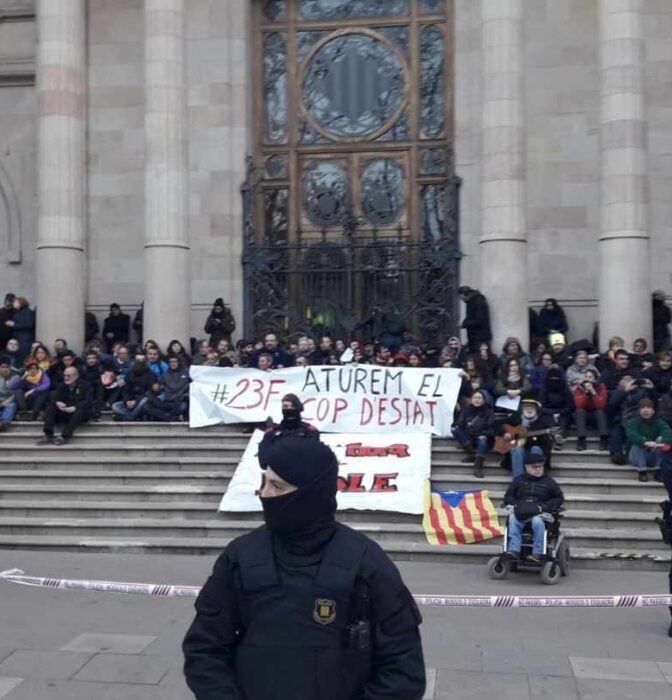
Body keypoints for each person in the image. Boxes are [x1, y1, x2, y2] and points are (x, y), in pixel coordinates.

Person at [183, 437, 426, 700]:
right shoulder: (240, 557)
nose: (264, 493)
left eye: (277, 485)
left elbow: (403, 670)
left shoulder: (367, 563)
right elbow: (204, 650)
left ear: (310, 493)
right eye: (264, 482)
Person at [502, 451, 565, 563]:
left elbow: (559, 498)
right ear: (526, 467)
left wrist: (545, 506)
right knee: (513, 519)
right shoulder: (518, 480)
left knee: (537, 521)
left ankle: (537, 552)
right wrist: (516, 505)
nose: (538, 469)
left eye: (540, 466)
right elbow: (508, 497)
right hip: (521, 511)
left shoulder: (549, 482)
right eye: (535, 467)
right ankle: (513, 550)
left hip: (540, 512)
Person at [501, 397, 554, 479]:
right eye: (527, 407)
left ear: (536, 410)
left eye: (532, 407)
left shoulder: (542, 423)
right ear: (522, 409)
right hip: (519, 453)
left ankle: (535, 477)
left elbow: (547, 445)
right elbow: (497, 424)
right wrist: (506, 433)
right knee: (517, 449)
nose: (529, 409)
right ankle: (518, 480)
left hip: (536, 453)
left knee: (535, 448)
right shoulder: (516, 419)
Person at [38, 366, 91, 445]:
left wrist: (75, 407)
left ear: (76, 376)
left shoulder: (85, 386)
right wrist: (57, 402)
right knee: (50, 406)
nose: (66, 378)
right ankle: (48, 434)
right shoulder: (62, 385)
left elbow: (87, 401)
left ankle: (64, 436)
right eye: (65, 375)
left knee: (81, 411)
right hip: (65, 411)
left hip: (78, 412)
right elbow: (54, 398)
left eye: (69, 376)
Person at [625, 398, 672, 484]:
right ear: (639, 411)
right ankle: (642, 471)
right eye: (643, 408)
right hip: (636, 456)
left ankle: (658, 471)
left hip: (652, 455)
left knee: (660, 440)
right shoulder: (633, 422)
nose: (645, 410)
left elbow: (667, 432)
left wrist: (660, 444)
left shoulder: (659, 422)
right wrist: (645, 442)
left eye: (648, 407)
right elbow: (632, 435)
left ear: (653, 411)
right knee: (639, 443)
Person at [453, 390, 493, 478]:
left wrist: (482, 433)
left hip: (481, 436)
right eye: (475, 398)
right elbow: (460, 423)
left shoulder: (488, 411)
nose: (477, 400)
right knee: (456, 430)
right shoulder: (466, 410)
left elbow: (490, 427)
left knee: (483, 440)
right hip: (469, 436)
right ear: (471, 400)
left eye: (479, 398)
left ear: (483, 400)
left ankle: (478, 467)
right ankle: (473, 454)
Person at [572, 369, 609, 451]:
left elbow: (601, 406)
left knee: (600, 412)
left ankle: (603, 439)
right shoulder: (579, 388)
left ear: (595, 379)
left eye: (590, 377)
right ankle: (581, 440)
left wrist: (593, 392)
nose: (587, 379)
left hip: (595, 416)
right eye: (586, 377)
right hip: (584, 416)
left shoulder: (601, 387)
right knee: (579, 411)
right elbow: (579, 405)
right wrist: (585, 393)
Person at [539, 366, 573, 451]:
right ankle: (557, 437)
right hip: (547, 413)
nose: (554, 380)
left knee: (563, 422)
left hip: (563, 413)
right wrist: (553, 413)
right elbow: (540, 406)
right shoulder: (544, 390)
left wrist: (559, 413)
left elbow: (569, 406)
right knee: (549, 421)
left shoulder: (566, 390)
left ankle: (559, 438)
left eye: (556, 378)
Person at [458, 286, 491, 351]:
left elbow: (479, 319)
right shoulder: (470, 302)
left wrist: (465, 324)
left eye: (462, 298)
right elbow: (469, 317)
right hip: (473, 337)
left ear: (468, 295)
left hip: (481, 337)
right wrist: (463, 323)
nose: (462, 300)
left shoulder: (479, 302)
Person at [7, 297, 35, 362]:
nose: (13, 303)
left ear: (21, 302)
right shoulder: (18, 312)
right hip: (18, 340)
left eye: (15, 302)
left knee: (22, 359)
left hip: (24, 340)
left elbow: (29, 325)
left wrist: (14, 324)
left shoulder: (27, 312)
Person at [0, 356, 18, 431]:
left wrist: (7, 401)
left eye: (7, 367)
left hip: (8, 402)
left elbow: (16, 394)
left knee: (11, 406)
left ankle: (3, 423)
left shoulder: (15, 377)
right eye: (3, 367)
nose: (5, 369)